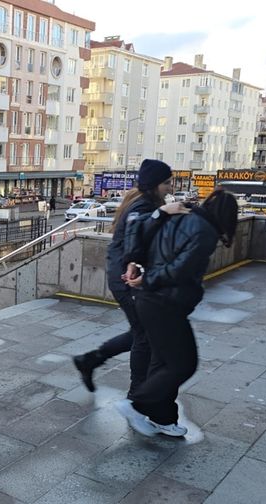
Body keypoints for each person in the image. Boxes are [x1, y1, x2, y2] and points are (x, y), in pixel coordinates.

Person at [115, 190, 239, 437]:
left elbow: (138, 232)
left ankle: (163, 418)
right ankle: (135, 405)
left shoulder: (179, 217)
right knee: (183, 364)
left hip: (150, 301)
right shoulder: (205, 232)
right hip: (165, 303)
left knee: (162, 362)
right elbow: (180, 268)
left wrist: (134, 263)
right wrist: (147, 279)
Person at [72, 159, 186, 394]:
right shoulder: (143, 207)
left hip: (124, 274)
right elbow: (139, 234)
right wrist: (163, 213)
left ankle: (90, 360)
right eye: (167, 183)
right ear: (154, 184)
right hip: (125, 278)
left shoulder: (142, 202)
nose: (170, 188)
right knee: (144, 335)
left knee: (141, 332)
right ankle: (136, 393)